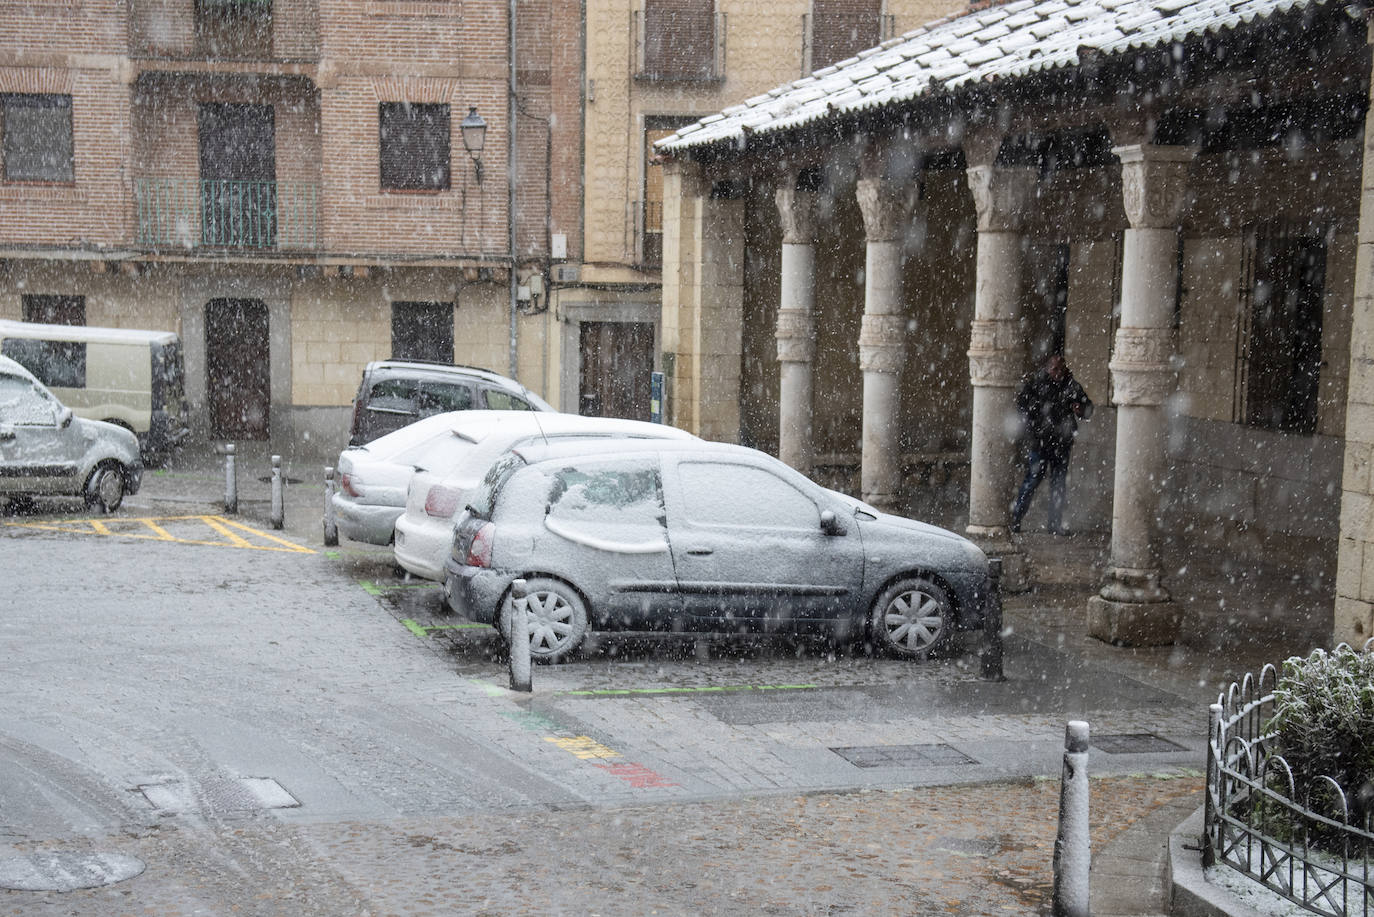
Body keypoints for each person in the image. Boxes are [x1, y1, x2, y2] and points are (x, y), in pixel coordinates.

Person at [1011, 353, 1092, 535]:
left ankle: (1054, 524)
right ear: (1047, 369)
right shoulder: (1037, 385)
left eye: (1061, 368)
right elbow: (1022, 406)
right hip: (1040, 443)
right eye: (1055, 368)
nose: (1058, 372)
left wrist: (1081, 409)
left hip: (1062, 443)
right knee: (1032, 481)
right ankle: (1015, 520)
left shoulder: (1071, 386)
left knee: (1058, 484)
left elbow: (1088, 408)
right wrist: (1032, 426)